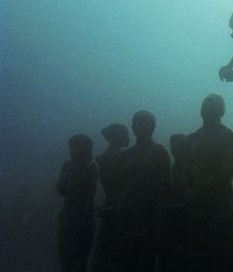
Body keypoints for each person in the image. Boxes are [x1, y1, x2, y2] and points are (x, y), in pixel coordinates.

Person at [185, 94, 233, 272]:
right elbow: (186, 170)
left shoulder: (227, 135)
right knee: (198, 254)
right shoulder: (192, 137)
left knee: (220, 254)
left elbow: (228, 171)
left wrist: (200, 188)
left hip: (220, 202)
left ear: (221, 110)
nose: (206, 106)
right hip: (196, 204)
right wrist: (190, 190)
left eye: (211, 104)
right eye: (204, 103)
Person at [118, 111, 171, 272]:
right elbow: (120, 185)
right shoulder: (126, 154)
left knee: (146, 261)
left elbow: (165, 185)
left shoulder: (160, 152)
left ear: (152, 127)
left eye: (143, 124)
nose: (138, 127)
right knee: (128, 261)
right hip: (128, 215)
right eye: (136, 123)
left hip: (150, 215)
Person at [56, 134, 98, 272]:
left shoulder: (88, 167)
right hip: (77, 218)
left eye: (73, 147)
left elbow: (62, 188)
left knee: (74, 260)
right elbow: (63, 188)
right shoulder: (88, 166)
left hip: (78, 219)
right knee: (74, 261)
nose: (70, 151)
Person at [93, 123, 129, 272]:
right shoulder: (125, 157)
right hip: (123, 207)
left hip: (110, 205)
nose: (128, 137)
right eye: (125, 134)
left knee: (105, 253)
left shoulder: (100, 159)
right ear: (117, 137)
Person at [159, 133, 189, 272]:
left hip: (185, 216)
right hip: (174, 215)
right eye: (172, 143)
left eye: (177, 143)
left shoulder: (188, 167)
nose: (173, 146)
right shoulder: (174, 166)